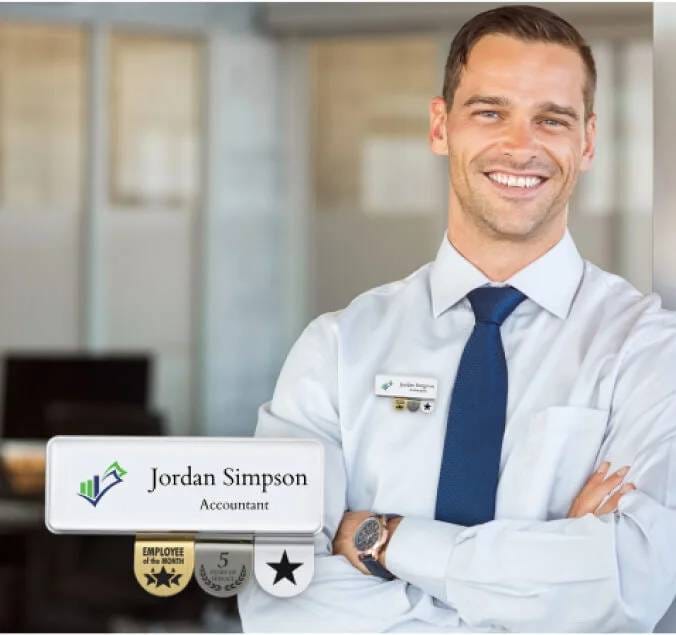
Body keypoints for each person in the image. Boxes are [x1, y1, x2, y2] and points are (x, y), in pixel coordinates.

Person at [237, 4, 676, 632]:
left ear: (587, 143)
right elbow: (281, 595)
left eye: (551, 119)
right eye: (490, 112)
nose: (520, 147)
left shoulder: (652, 355)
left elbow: (627, 587)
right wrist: (548, 571)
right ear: (441, 127)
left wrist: (379, 538)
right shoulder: (336, 350)